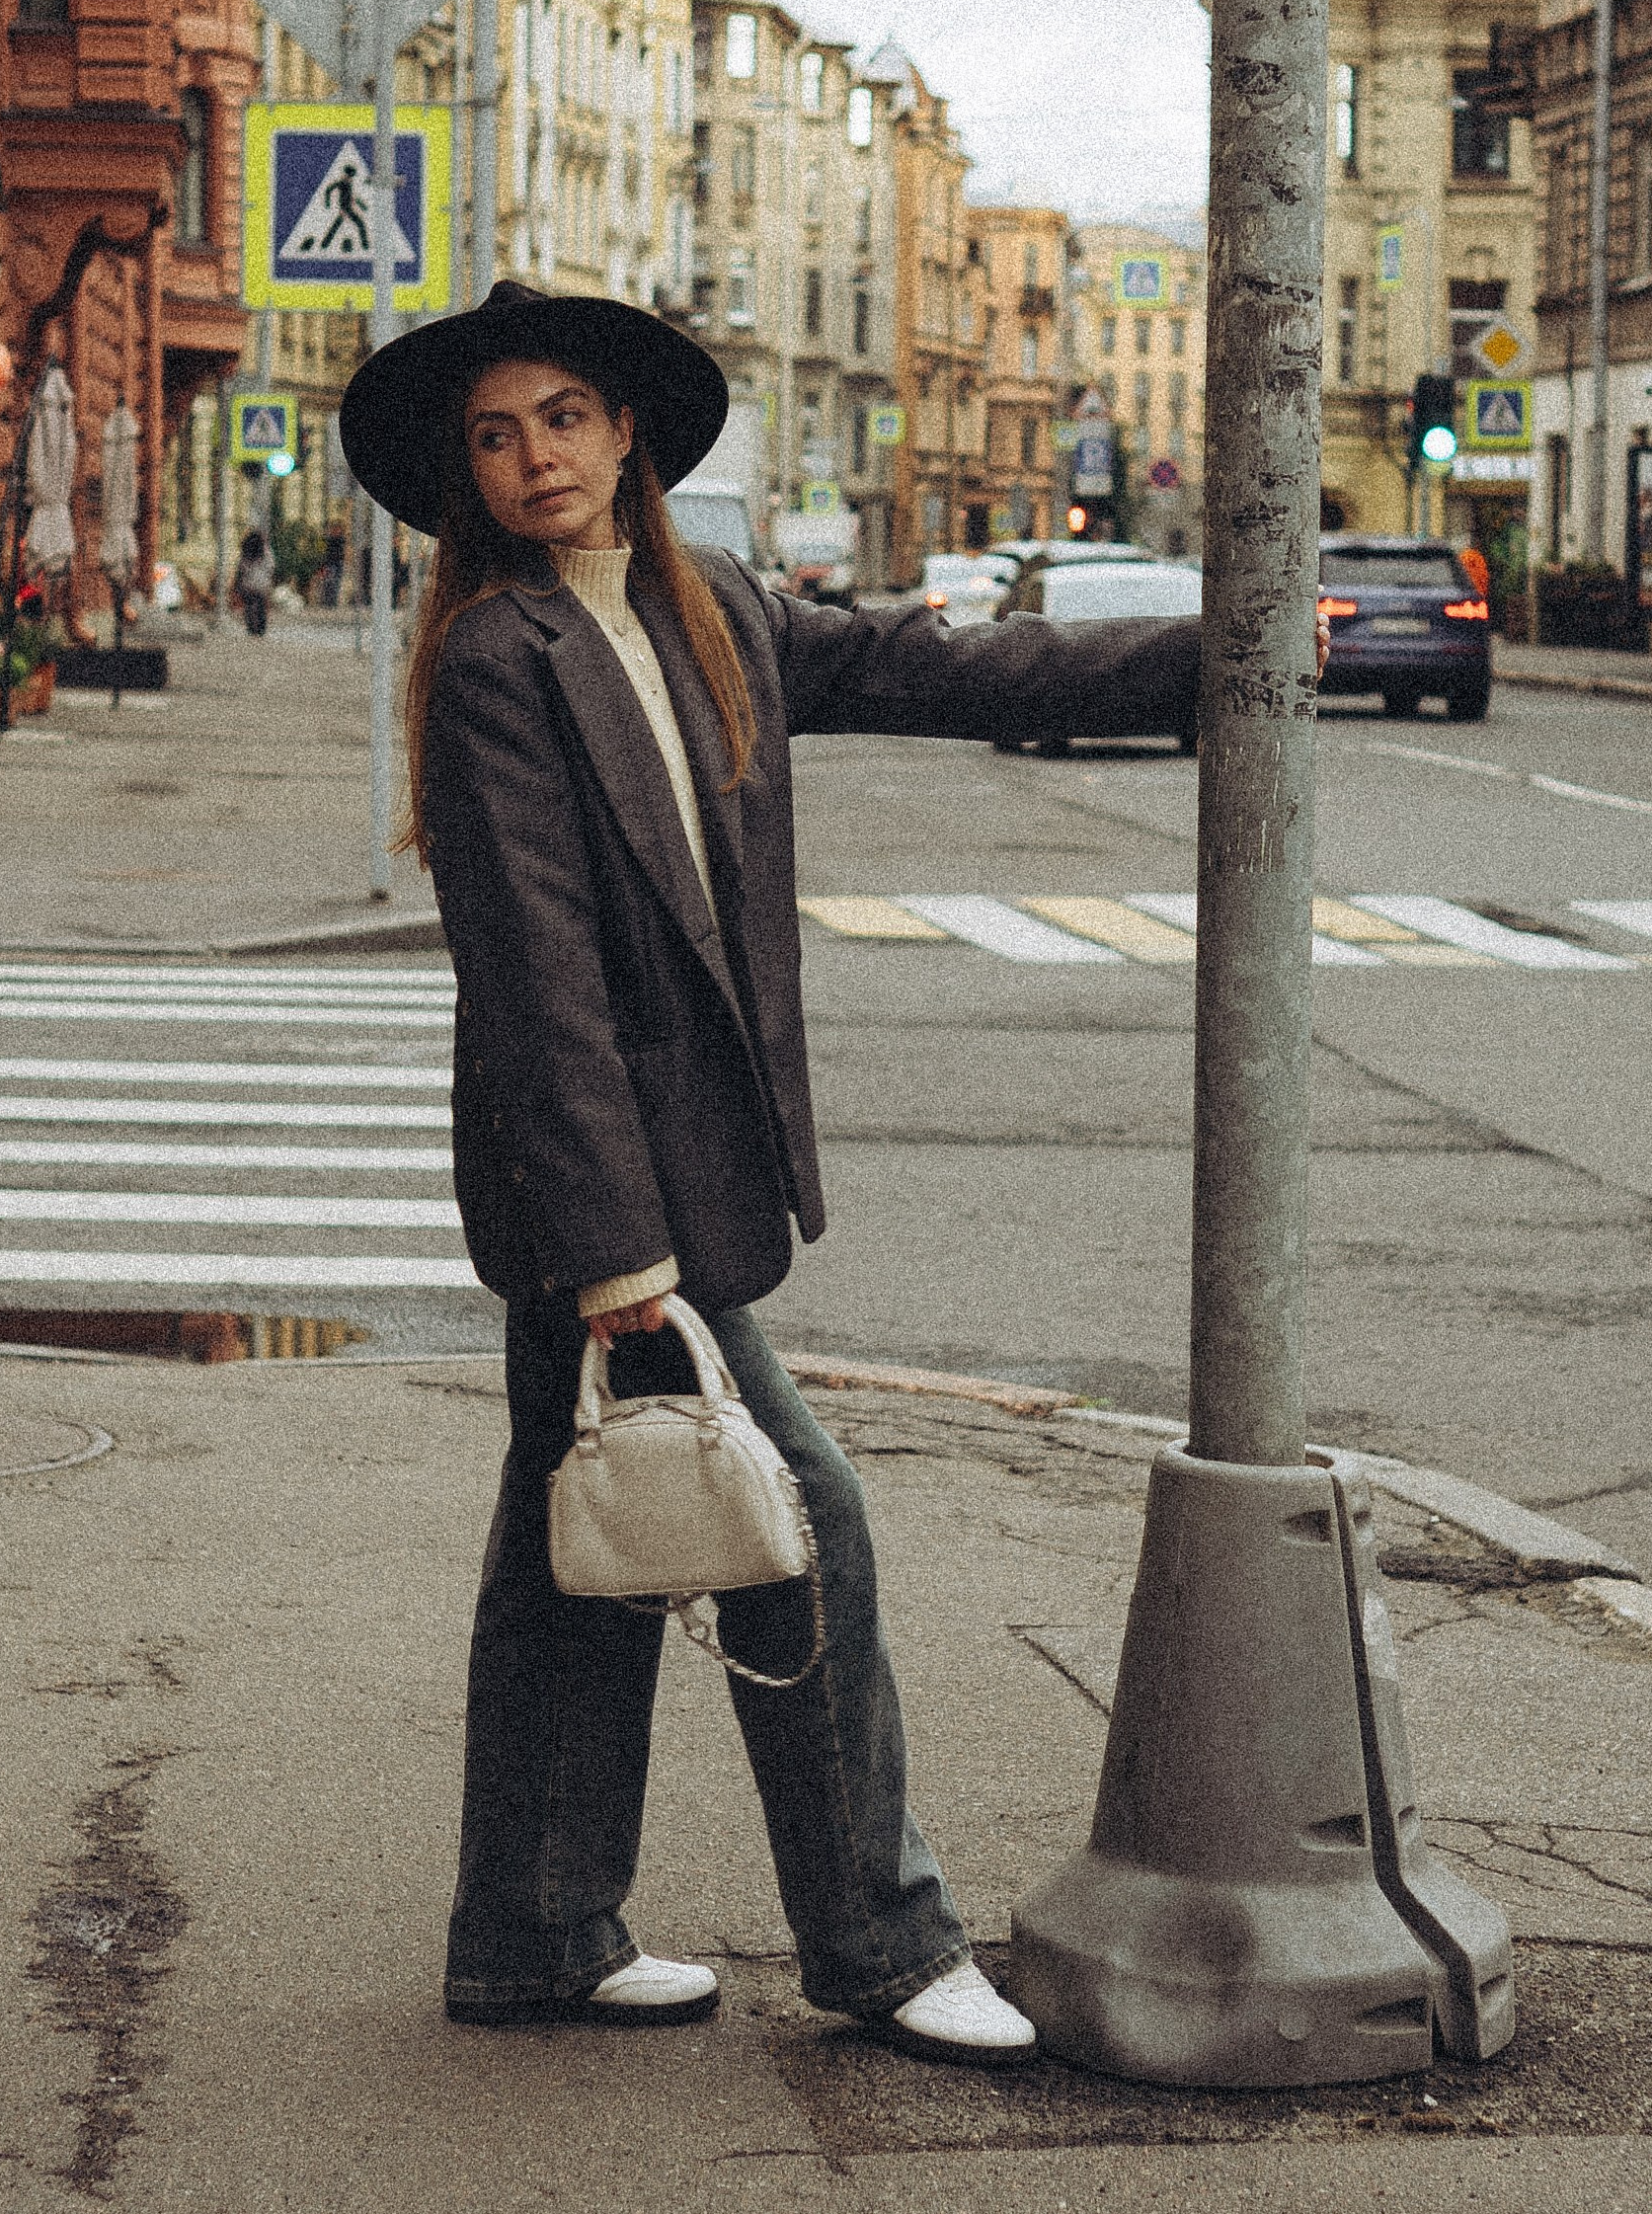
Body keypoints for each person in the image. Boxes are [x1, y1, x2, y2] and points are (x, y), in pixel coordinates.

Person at [338, 282, 1214, 2060]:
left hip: (670, 1183)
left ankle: (530, 1926)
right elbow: (538, 984)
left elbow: (938, 663)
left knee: (573, 1562)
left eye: (564, 416)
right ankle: (882, 1944)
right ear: (466, 469)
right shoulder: (501, 659)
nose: (535, 458)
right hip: (611, 1199)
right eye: (497, 434)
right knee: (798, 1531)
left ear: (629, 429)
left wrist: (1214, 644)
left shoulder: (711, 604)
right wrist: (617, 1263)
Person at [231, 526, 275, 638]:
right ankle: (260, 629)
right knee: (261, 607)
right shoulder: (266, 553)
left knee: (249, 606)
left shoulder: (246, 553)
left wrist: (237, 584)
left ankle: (251, 628)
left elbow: (241, 569)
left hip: (248, 584)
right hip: (262, 585)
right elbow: (271, 567)